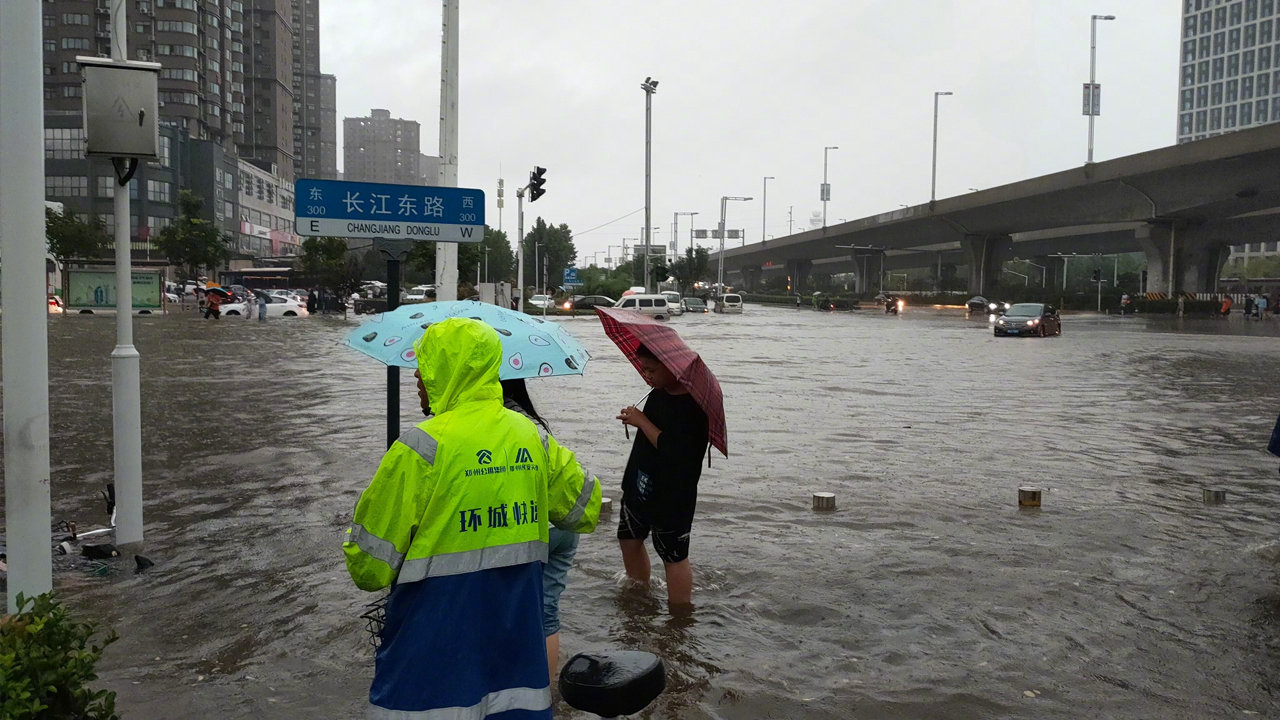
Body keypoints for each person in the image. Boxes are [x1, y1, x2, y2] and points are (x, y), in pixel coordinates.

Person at [343, 318, 599, 718]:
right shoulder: (534, 437)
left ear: (445, 372)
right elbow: (586, 510)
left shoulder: (419, 447)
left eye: (423, 367)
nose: (416, 379)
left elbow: (369, 570)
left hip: (430, 661)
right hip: (516, 661)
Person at [500, 378, 601, 682]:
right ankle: (545, 693)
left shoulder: (492, 421)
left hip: (531, 523)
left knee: (505, 608)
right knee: (547, 611)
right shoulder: (531, 421)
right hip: (563, 524)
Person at [616, 343, 710, 611]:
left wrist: (641, 421)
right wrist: (637, 418)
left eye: (652, 369)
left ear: (673, 367)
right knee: (628, 538)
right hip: (640, 482)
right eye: (644, 369)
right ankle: (639, 594)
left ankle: (679, 615)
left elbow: (675, 449)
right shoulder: (658, 392)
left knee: (673, 555)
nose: (647, 375)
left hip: (673, 493)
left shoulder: (694, 404)